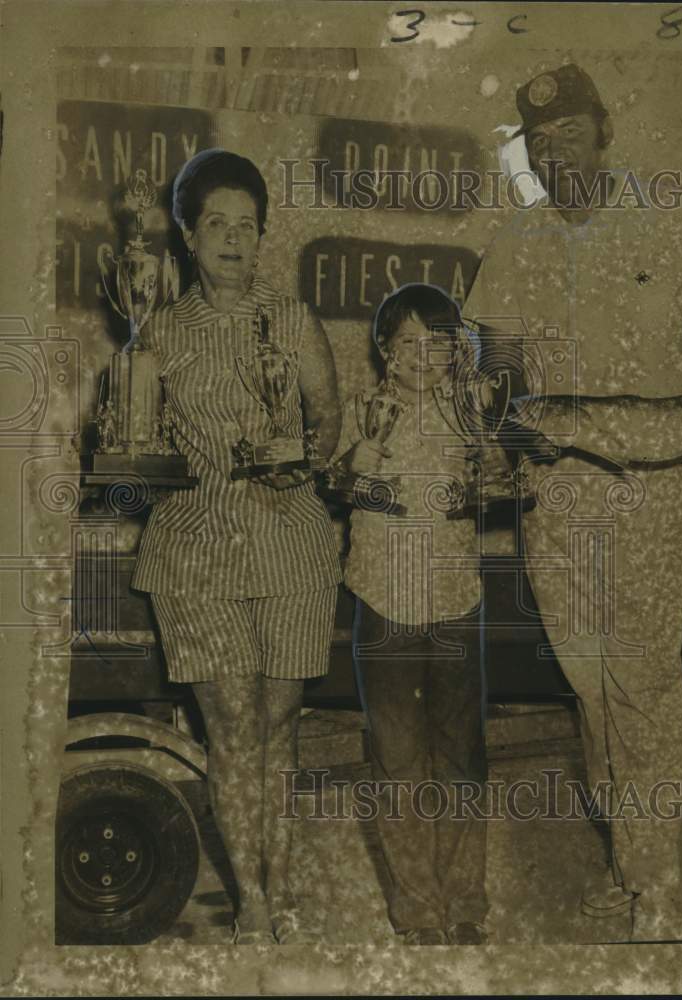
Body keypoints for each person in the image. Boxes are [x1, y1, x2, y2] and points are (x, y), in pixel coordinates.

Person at [464, 64, 682, 941]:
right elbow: (497, 366)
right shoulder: (515, 242)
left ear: (603, 131)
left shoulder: (667, 224)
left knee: (643, 680)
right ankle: (627, 861)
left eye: (568, 134)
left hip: (657, 491)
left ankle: (654, 883)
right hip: (560, 494)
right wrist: (508, 429)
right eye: (537, 143)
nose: (552, 152)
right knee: (590, 686)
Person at [131, 148, 342, 945]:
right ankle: (251, 899)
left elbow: (330, 420)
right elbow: (133, 440)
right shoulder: (159, 331)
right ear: (188, 235)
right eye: (214, 223)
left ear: (261, 237)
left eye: (244, 225)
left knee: (280, 723)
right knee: (232, 726)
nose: (230, 239)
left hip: (290, 544)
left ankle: (282, 889)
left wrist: (303, 460)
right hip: (198, 550)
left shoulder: (292, 321)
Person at [333, 283, 496, 946]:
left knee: (460, 754)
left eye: (440, 344)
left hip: (456, 599)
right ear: (384, 351)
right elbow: (337, 484)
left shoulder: (470, 415)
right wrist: (361, 463)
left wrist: (490, 472)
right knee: (396, 755)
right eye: (410, 343)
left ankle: (464, 900)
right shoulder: (362, 410)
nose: (425, 357)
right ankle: (415, 907)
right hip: (384, 599)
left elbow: (499, 485)